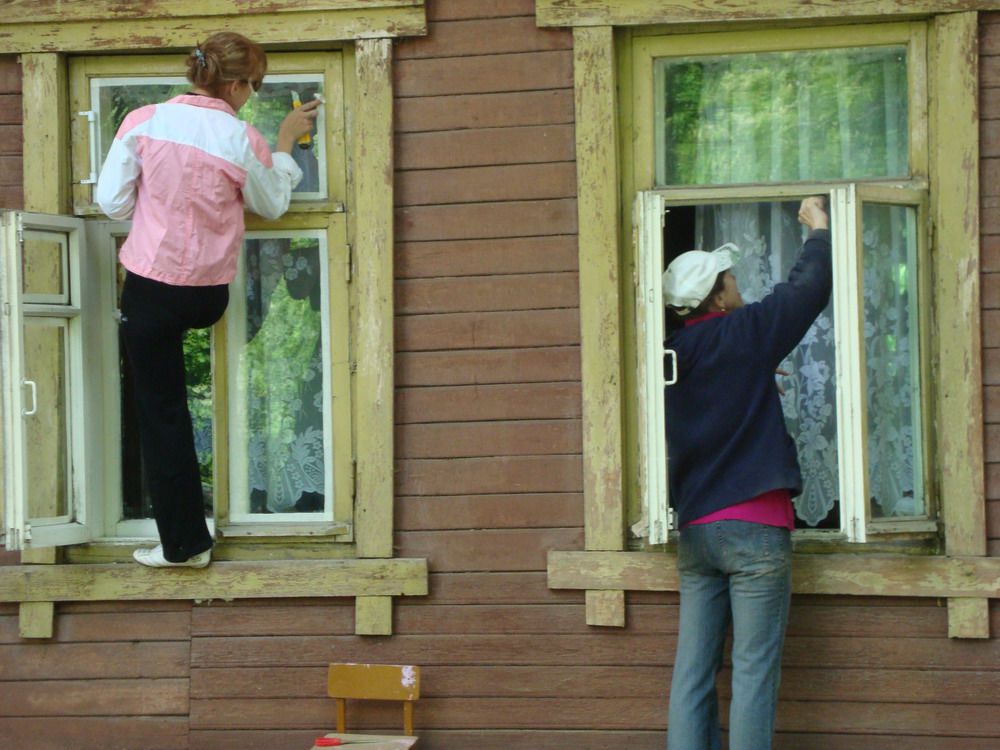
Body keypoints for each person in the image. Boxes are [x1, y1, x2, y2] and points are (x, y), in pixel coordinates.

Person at [96, 32, 321, 568]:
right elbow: (271, 204)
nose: (252, 95)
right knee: (222, 392)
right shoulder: (242, 137)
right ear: (239, 84)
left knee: (162, 414)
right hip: (210, 294)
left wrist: (153, 201)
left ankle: (185, 545)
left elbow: (111, 203)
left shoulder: (143, 122)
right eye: (255, 86)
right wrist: (285, 145)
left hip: (152, 290)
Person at [663, 197, 831, 750]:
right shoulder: (746, 333)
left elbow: (714, 401)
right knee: (754, 673)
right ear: (716, 295)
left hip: (696, 532)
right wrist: (819, 231)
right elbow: (806, 292)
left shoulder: (668, 355)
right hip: (755, 529)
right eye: (730, 277)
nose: (737, 283)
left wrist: (757, 382)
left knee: (693, 675)